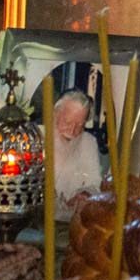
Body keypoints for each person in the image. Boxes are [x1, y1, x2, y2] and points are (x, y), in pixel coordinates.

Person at [50, 89, 102, 217]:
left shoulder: (88, 142)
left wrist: (84, 194)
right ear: (54, 114)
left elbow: (94, 183)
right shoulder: (37, 137)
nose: (72, 131)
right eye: (67, 122)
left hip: (70, 220)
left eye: (79, 125)